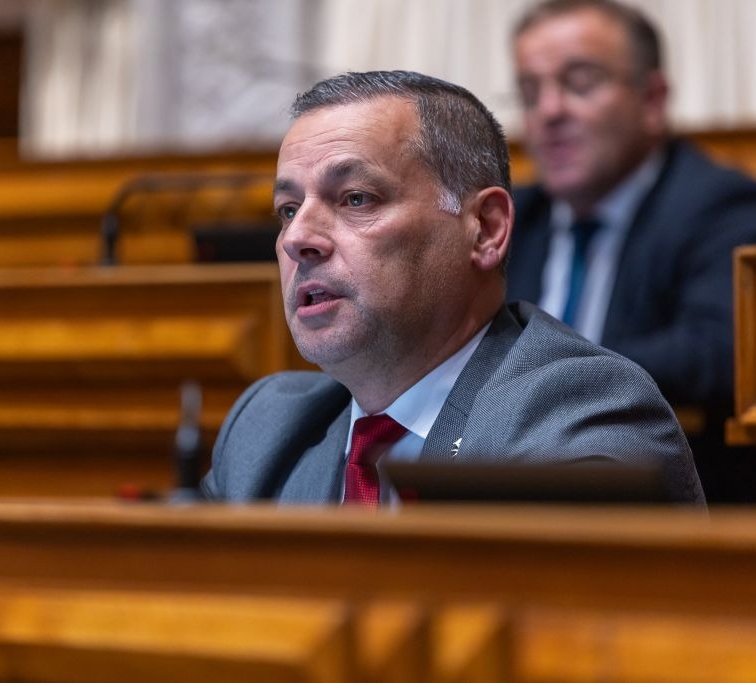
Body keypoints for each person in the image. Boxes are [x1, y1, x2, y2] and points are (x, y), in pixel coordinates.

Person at [200, 70, 704, 506]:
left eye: (356, 198)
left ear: (485, 229)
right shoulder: (267, 430)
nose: (297, 238)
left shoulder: (580, 418)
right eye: (288, 210)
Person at [507, 0, 756, 503]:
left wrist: (539, 379)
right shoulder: (507, 220)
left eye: (580, 83)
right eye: (530, 92)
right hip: (502, 500)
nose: (549, 112)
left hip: (664, 515)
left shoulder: (725, 208)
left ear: (652, 99)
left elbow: (718, 353)